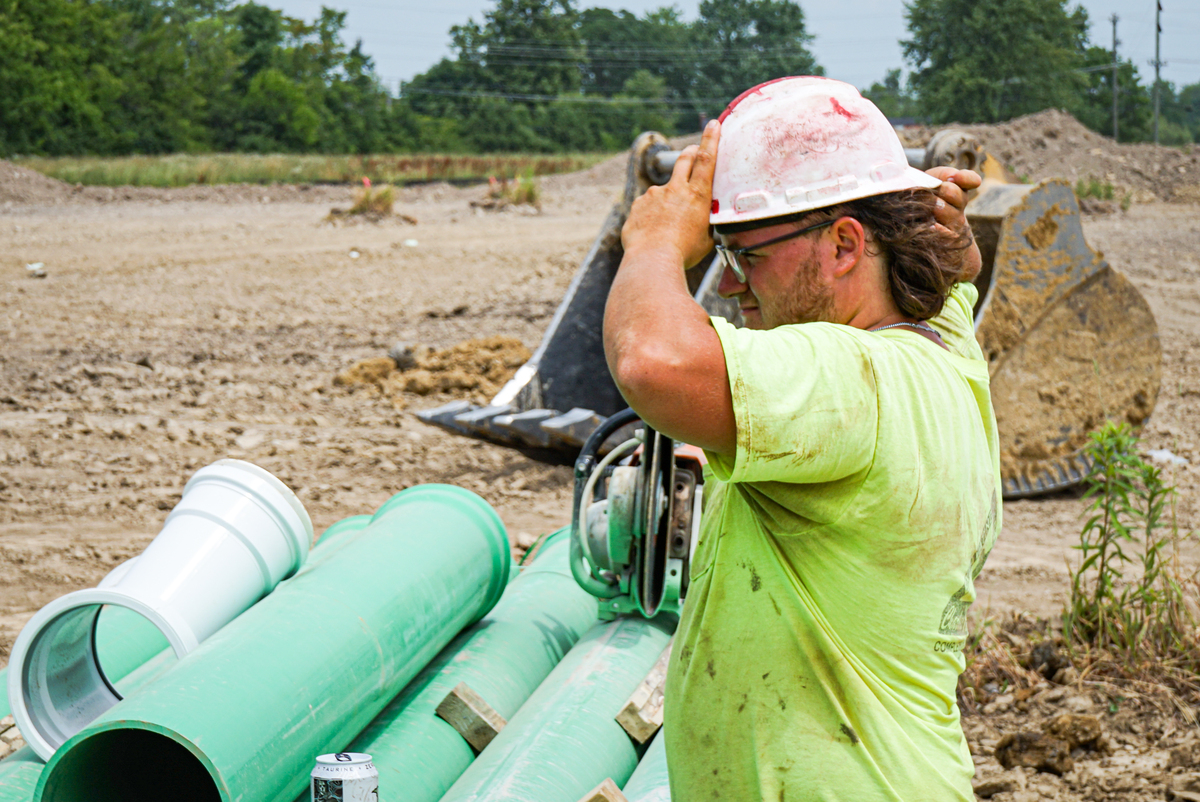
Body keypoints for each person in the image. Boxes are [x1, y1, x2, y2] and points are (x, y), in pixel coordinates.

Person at [602, 77, 1001, 801]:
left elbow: (652, 361)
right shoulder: (945, 349)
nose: (729, 286)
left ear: (845, 244)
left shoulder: (852, 380)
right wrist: (942, 238)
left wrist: (655, 243)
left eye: (745, 256)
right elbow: (960, 277)